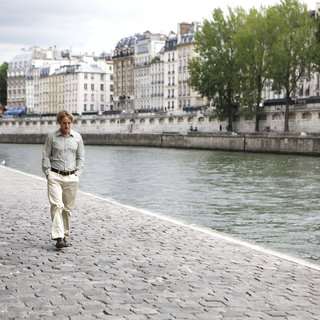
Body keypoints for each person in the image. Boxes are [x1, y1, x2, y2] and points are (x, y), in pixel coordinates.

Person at [42, 110, 85, 248]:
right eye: (64, 123)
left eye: (69, 123)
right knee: (57, 206)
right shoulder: (52, 137)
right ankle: (58, 237)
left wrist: (77, 173)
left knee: (67, 209)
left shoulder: (77, 137)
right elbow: (46, 156)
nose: (67, 125)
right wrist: (48, 173)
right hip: (55, 175)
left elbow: (81, 157)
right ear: (59, 122)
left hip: (72, 177)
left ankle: (65, 235)